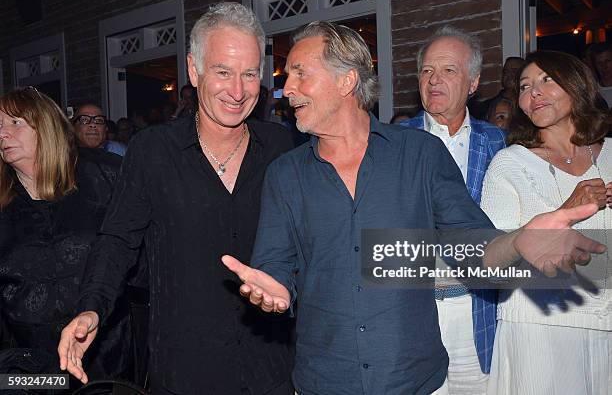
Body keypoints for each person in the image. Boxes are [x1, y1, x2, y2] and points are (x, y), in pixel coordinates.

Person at [221, 21, 605, 395]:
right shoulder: (284, 174)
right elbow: (274, 263)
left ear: (346, 80)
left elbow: (469, 245)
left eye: (300, 73)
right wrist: (275, 290)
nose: (286, 89)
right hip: (324, 378)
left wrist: (520, 242)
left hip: (415, 379)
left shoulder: (420, 154)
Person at [58, 2, 294, 395]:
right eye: (222, 72)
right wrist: (92, 306)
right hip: (186, 373)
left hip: (270, 371)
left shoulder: (281, 148)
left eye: (249, 74)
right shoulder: (153, 151)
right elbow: (118, 239)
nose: (238, 91)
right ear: (193, 69)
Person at [481, 50, 612, 394]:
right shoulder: (509, 165)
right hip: (541, 322)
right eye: (524, 86)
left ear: (577, 85)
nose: (533, 92)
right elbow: (494, 259)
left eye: (546, 80)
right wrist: (568, 208)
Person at [0, 87, 133, 384]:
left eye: (14, 123)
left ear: (45, 124)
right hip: (29, 368)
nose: (3, 134)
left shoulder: (103, 175)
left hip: (105, 356)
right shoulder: (3, 201)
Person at [400, 26, 506, 394]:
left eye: (449, 70)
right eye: (427, 70)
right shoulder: (391, 144)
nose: (434, 80)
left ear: (473, 82)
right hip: (413, 315)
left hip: (476, 314)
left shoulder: (498, 143)